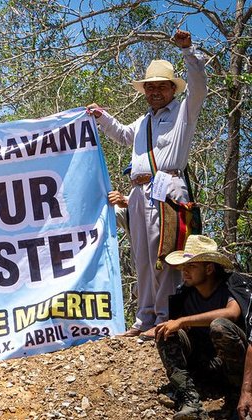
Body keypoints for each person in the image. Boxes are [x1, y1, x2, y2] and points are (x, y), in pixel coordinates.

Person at [86, 29, 207, 338]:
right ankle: (144, 318)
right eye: (150, 87)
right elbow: (123, 135)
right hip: (139, 192)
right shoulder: (143, 121)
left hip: (166, 187)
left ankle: (165, 317)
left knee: (164, 255)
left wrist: (188, 51)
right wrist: (102, 116)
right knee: (142, 255)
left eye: (161, 87)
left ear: (172, 89)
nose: (155, 92)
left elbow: (199, 87)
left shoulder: (183, 113)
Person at [154, 235, 247, 419]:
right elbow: (177, 329)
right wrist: (177, 326)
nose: (185, 271)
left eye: (192, 266)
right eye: (184, 266)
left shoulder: (232, 284)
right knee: (166, 332)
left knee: (220, 327)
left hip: (238, 367)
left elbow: (232, 313)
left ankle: (236, 396)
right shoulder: (184, 294)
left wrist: (184, 320)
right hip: (204, 365)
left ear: (209, 268)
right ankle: (189, 399)